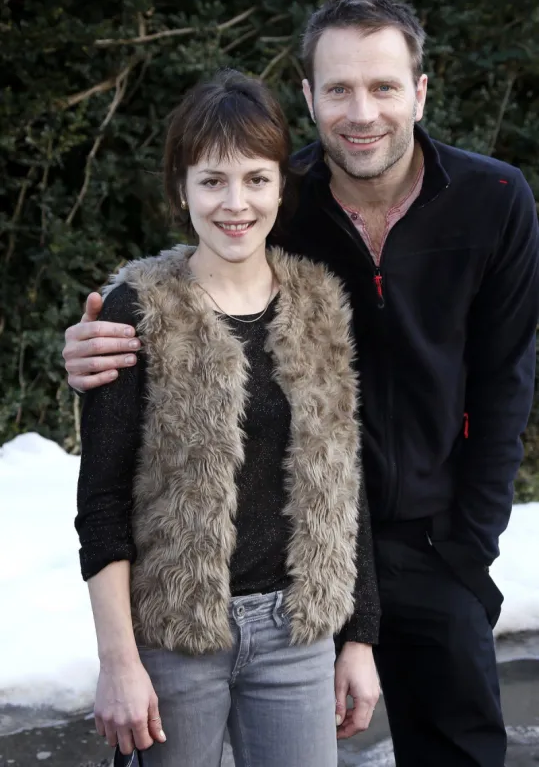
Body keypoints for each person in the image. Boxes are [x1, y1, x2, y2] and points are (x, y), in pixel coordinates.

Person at [64, 0, 539, 767]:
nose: (363, 112)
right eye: (340, 88)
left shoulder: (493, 201)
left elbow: (502, 385)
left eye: (384, 86)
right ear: (310, 96)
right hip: (286, 555)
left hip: (433, 541)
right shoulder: (283, 200)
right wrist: (92, 343)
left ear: (418, 92)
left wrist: (469, 549)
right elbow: (194, 282)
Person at [74, 69, 380, 767]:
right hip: (174, 639)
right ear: (181, 188)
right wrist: (118, 661)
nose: (234, 203)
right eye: (212, 181)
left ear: (280, 185)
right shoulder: (137, 309)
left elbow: (342, 480)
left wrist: (358, 636)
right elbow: (101, 502)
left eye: (254, 179)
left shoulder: (318, 304)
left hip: (296, 636)